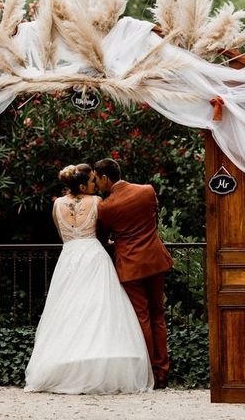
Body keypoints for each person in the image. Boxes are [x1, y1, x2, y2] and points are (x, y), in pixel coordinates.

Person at [24, 163, 153, 394]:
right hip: (94, 256)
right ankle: (99, 362)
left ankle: (65, 364)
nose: (97, 185)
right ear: (83, 185)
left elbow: (62, 234)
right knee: (99, 309)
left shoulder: (56, 205)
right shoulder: (96, 202)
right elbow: (103, 231)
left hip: (69, 258)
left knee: (68, 310)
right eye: (93, 181)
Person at [94, 158, 174, 389]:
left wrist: (115, 241)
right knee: (158, 316)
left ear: (105, 178)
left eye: (98, 179)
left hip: (130, 265)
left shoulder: (106, 206)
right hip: (155, 260)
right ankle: (163, 373)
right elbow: (154, 220)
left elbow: (102, 238)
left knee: (142, 318)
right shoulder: (147, 191)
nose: (97, 184)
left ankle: (148, 371)